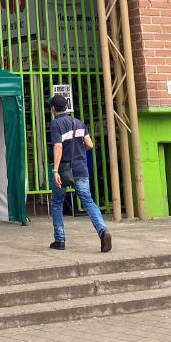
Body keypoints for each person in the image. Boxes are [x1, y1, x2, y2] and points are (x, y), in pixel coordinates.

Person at [47, 94, 112, 252]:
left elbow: (58, 147)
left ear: (53, 109)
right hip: (80, 168)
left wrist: (55, 170)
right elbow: (89, 144)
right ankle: (103, 230)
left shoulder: (56, 124)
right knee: (88, 201)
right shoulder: (79, 123)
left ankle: (60, 239)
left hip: (64, 169)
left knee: (56, 202)